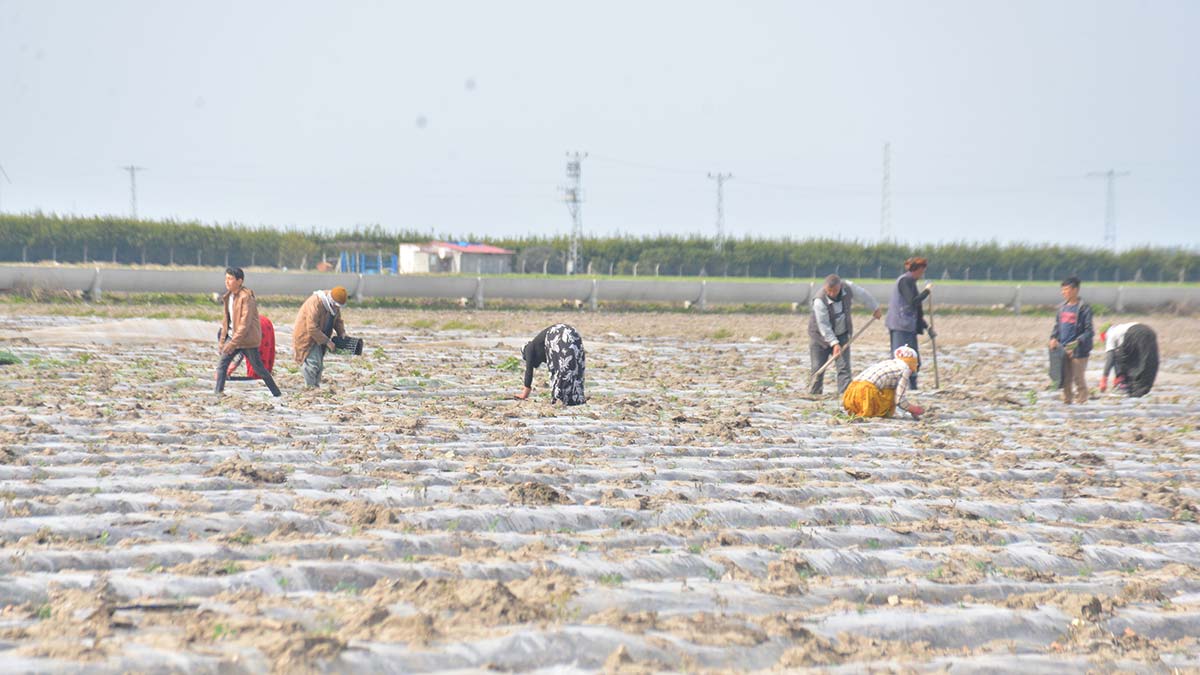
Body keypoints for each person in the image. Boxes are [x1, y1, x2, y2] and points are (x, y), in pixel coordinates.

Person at [808, 274, 881, 396]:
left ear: (840, 287)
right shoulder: (819, 300)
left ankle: (846, 396)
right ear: (825, 288)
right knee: (818, 369)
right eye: (829, 291)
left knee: (844, 369)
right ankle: (814, 395)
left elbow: (863, 295)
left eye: (835, 291)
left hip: (842, 335)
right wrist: (834, 343)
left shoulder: (848, 287)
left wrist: (875, 307)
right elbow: (824, 326)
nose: (832, 294)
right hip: (819, 338)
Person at [216, 267, 281, 397]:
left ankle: (277, 394)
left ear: (239, 281)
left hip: (247, 340)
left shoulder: (246, 298)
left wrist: (232, 343)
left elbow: (244, 324)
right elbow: (226, 322)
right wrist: (223, 341)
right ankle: (218, 393)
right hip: (233, 337)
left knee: (259, 369)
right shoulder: (228, 296)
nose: (227, 282)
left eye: (230, 279)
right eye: (226, 278)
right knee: (222, 365)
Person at [884, 257, 933, 390]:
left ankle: (912, 387)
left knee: (913, 359)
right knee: (902, 359)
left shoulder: (911, 282)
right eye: (921, 271)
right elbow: (913, 301)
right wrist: (926, 292)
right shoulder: (905, 281)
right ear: (916, 269)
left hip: (908, 326)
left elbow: (916, 310)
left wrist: (927, 327)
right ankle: (896, 387)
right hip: (900, 325)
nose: (922, 275)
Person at [842, 346, 925, 420]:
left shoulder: (888, 363)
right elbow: (899, 400)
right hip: (866, 394)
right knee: (891, 392)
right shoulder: (905, 369)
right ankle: (880, 412)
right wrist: (914, 409)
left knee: (888, 387)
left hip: (851, 393)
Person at [514, 324, 586, 405]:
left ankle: (560, 398)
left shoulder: (528, 348)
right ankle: (576, 397)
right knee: (575, 366)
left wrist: (525, 393)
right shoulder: (539, 347)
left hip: (558, 334)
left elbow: (529, 369)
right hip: (572, 333)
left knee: (562, 369)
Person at [1048, 276, 1094, 405]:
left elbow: (1089, 331)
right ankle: (1067, 403)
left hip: (1079, 350)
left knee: (1078, 378)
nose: (1064, 292)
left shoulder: (1084, 308)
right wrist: (1053, 338)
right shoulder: (1062, 308)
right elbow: (1057, 327)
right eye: (1062, 290)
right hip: (1063, 348)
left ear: (1075, 290)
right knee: (1065, 379)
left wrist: (1077, 342)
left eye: (1066, 289)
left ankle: (1082, 403)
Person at [292, 286, 349, 388]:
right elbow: (311, 328)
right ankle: (310, 388)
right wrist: (327, 342)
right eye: (336, 306)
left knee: (319, 365)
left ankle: (315, 386)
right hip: (307, 337)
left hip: (320, 336)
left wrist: (342, 333)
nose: (337, 308)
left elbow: (338, 320)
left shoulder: (333, 307)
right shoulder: (316, 302)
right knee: (312, 363)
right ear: (331, 300)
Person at [1100, 322, 1159, 398]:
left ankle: (1122, 383)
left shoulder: (1110, 334)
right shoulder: (1121, 329)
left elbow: (1110, 357)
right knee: (1148, 361)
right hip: (1149, 331)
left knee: (1119, 355)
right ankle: (1141, 390)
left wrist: (1104, 379)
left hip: (1133, 333)